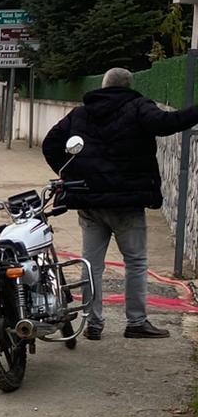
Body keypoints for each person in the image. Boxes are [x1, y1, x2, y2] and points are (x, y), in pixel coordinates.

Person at [42, 66, 198, 341]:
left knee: (92, 264)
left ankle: (93, 323)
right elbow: (167, 124)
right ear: (128, 85)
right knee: (136, 262)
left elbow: (51, 143)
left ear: (103, 85)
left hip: (90, 201)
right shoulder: (138, 107)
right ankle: (136, 322)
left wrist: (67, 173)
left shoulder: (81, 113)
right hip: (127, 202)